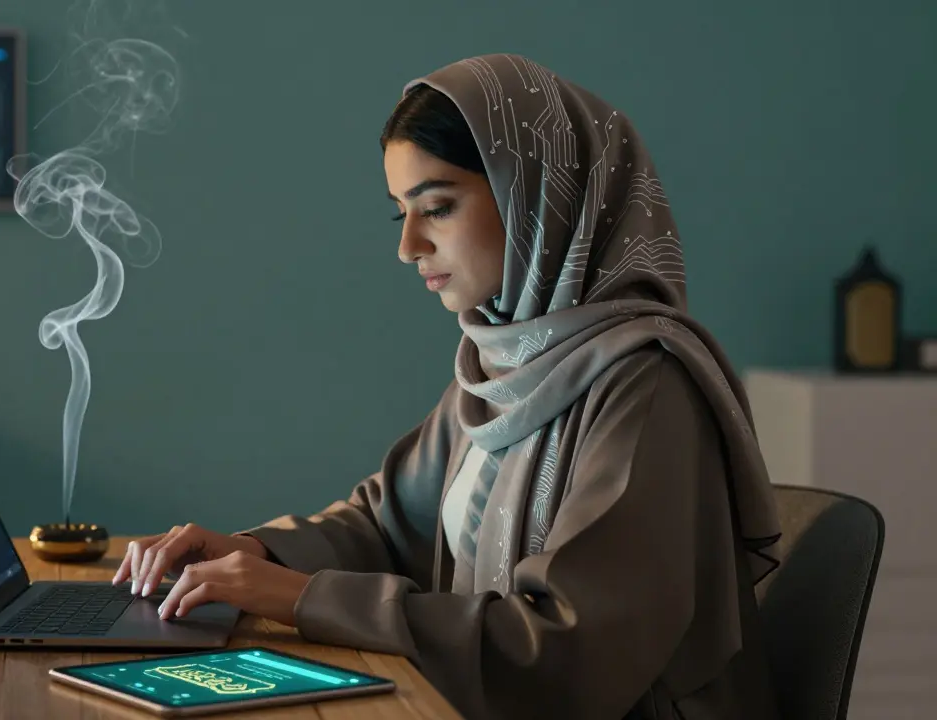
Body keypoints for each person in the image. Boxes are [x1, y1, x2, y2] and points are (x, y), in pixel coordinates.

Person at [112, 54, 783, 720]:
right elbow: (391, 521)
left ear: (536, 198)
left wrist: (299, 597)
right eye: (400, 212)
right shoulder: (502, 359)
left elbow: (565, 654)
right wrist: (255, 552)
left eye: (435, 207)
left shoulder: (648, 384)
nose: (408, 246)